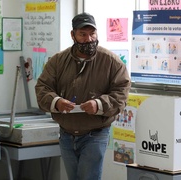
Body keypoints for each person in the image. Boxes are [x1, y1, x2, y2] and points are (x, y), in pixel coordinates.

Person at [35, 12, 131, 180]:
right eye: (83, 34)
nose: (89, 39)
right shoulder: (58, 61)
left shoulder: (111, 61)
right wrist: (56, 102)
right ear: (73, 35)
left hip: (95, 134)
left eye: (92, 34)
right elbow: (42, 87)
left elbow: (121, 92)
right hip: (66, 133)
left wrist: (99, 104)